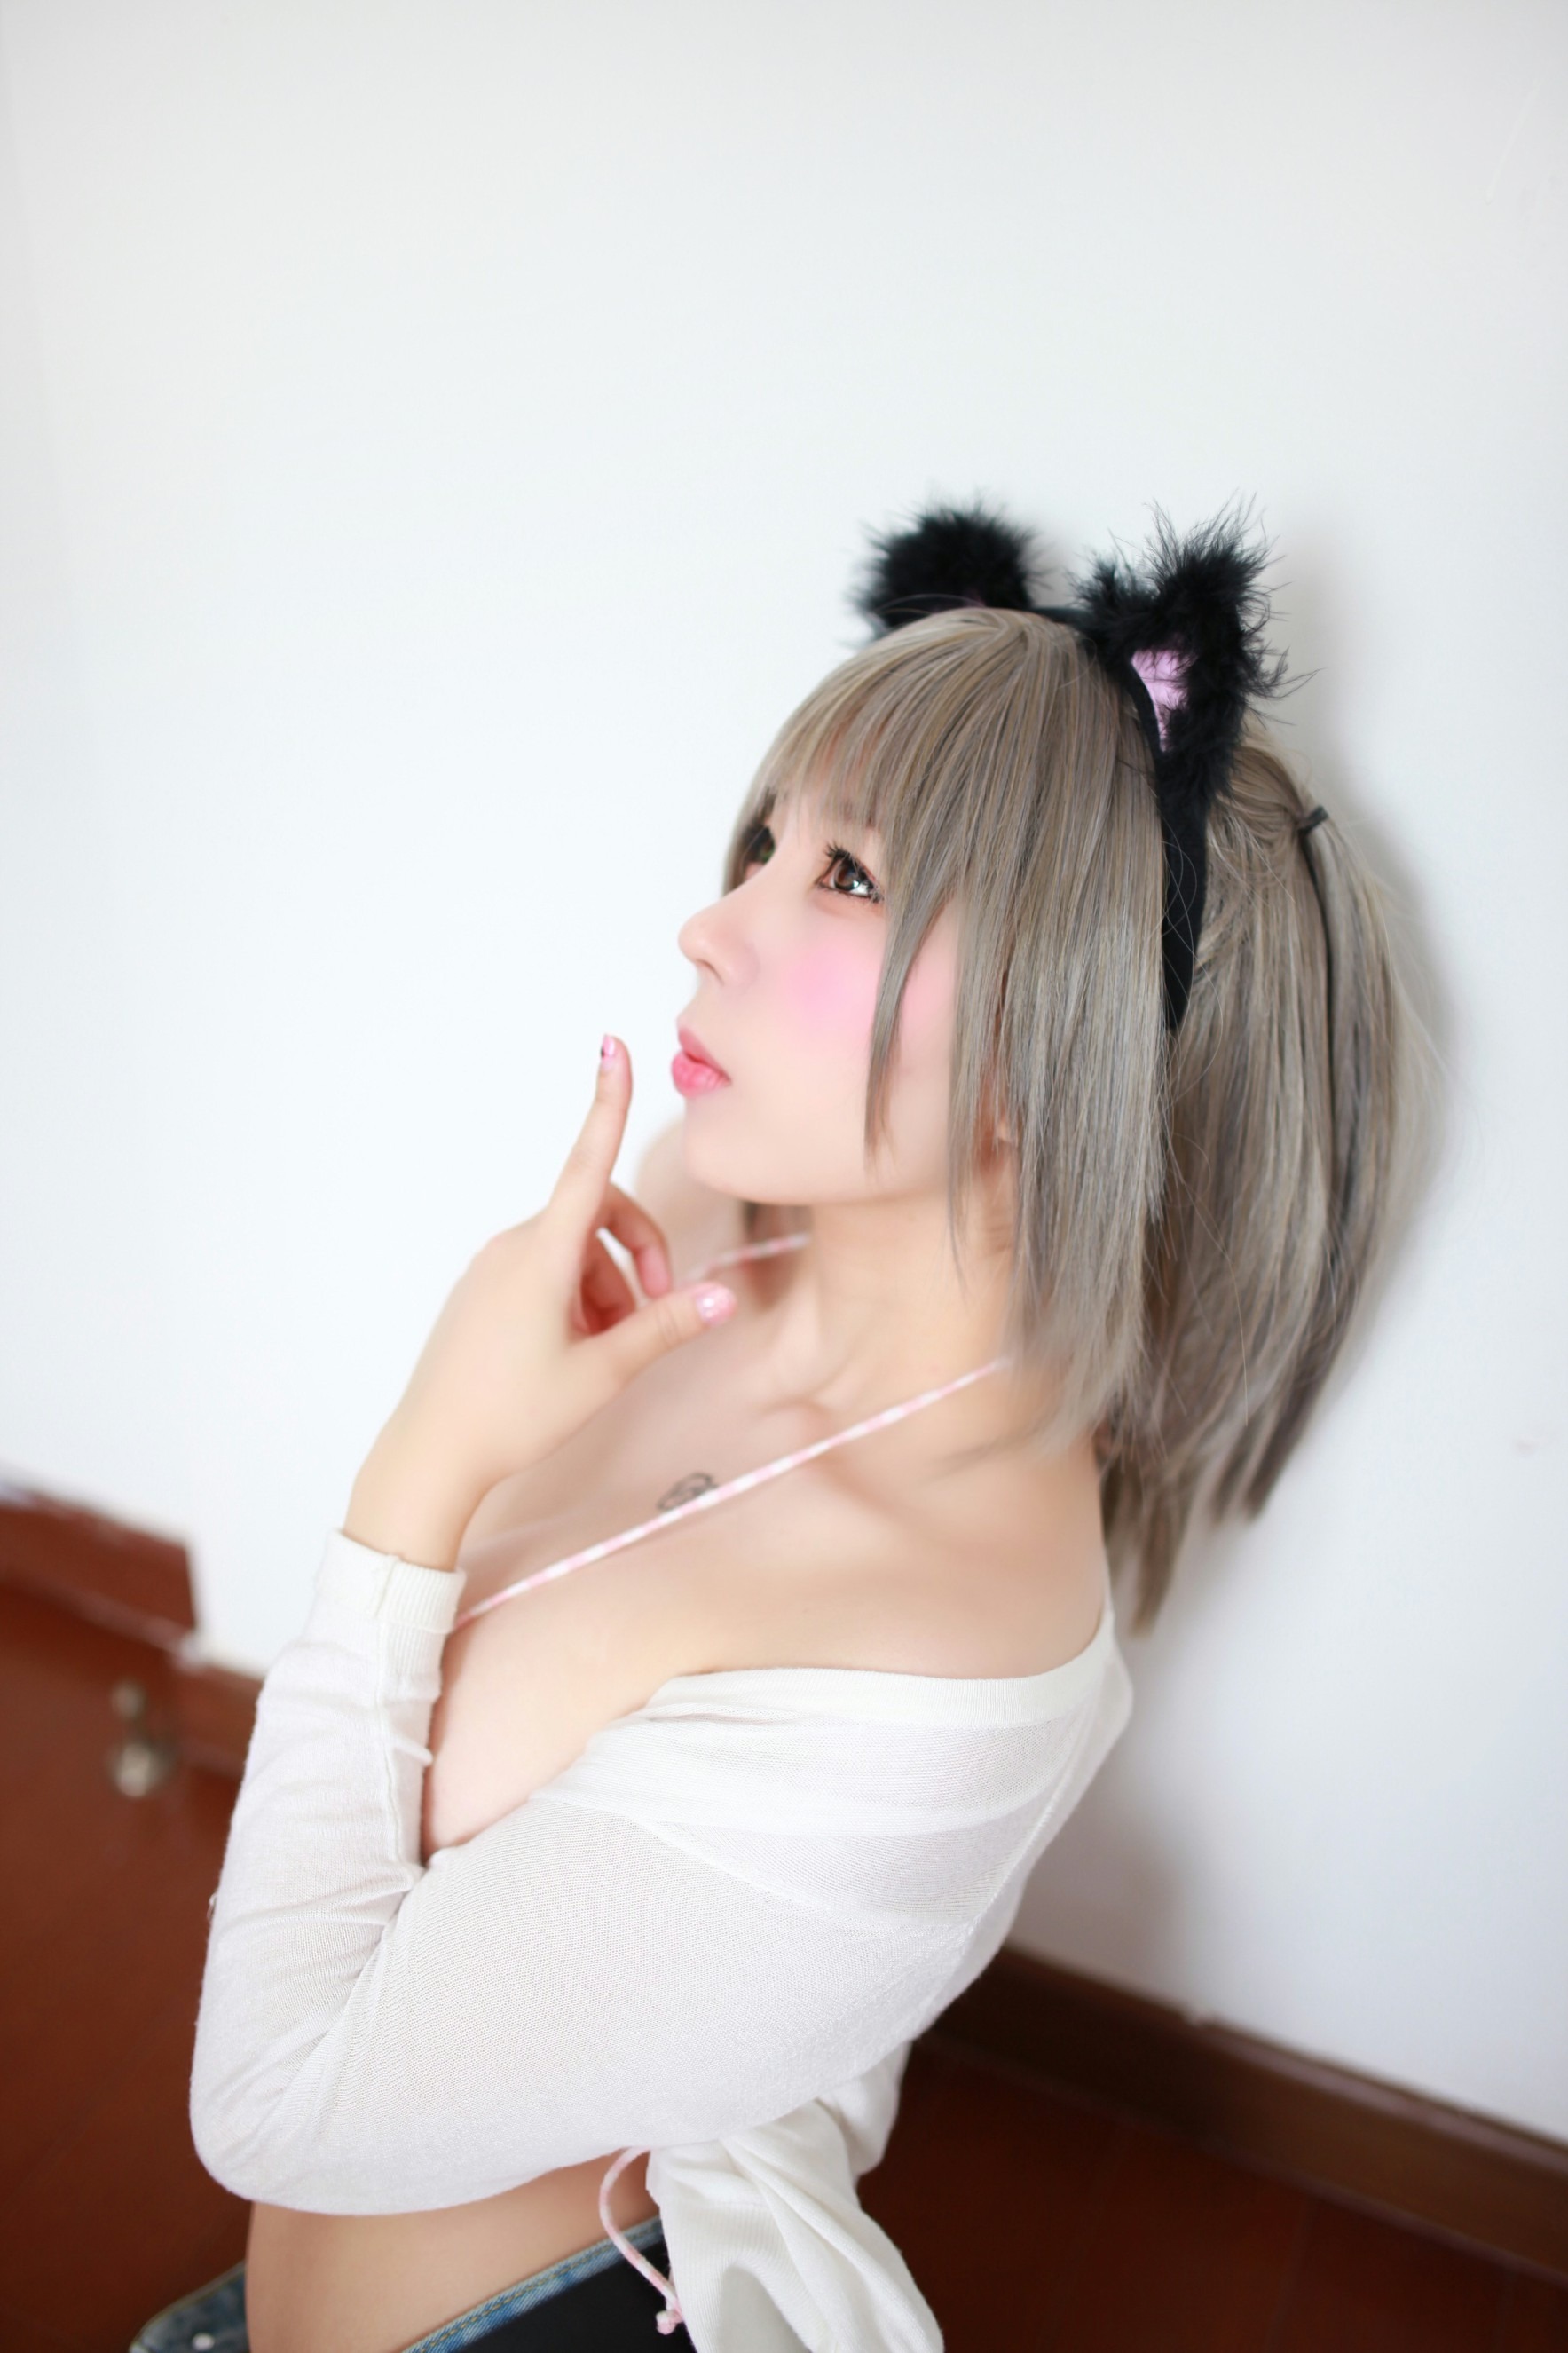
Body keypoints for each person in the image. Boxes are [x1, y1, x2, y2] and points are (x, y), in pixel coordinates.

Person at [141, 500, 1410, 2353]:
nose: (707, 924)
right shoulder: (702, 1209)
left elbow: (272, 2103)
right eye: (763, 841)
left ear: (1057, 1026)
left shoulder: (950, 1647)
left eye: (846, 878)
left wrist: (417, 1475)